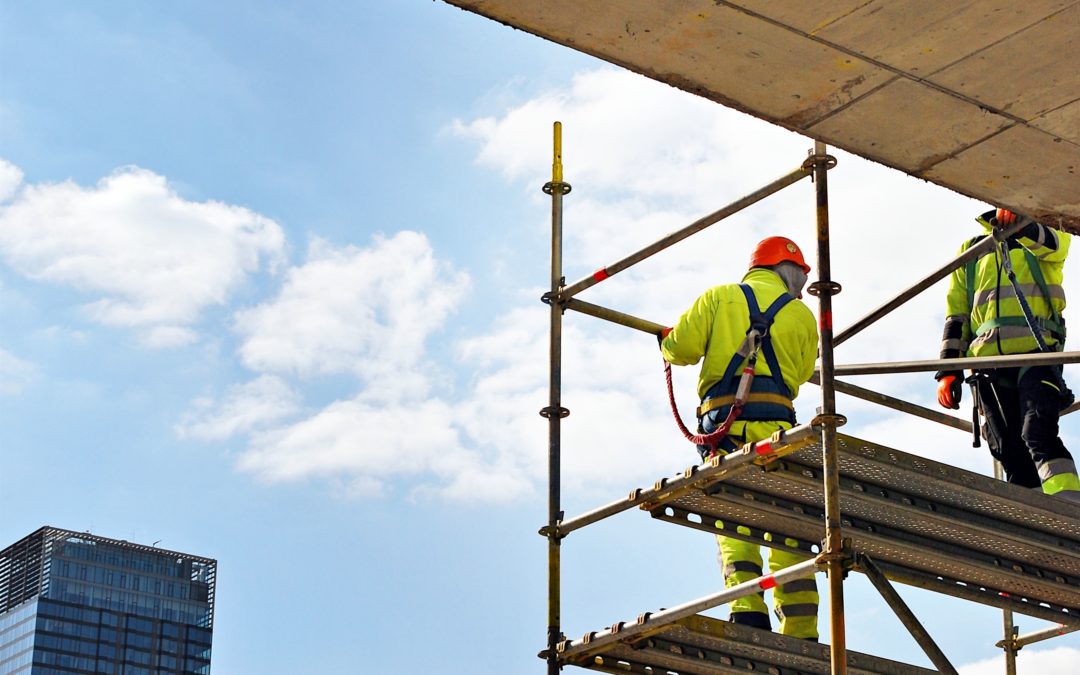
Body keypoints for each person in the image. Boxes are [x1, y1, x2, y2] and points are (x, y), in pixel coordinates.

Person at [659, 236, 820, 639]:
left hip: (724, 431)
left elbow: (680, 349)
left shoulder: (719, 298)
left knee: (736, 521)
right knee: (789, 527)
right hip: (780, 430)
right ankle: (801, 631)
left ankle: (748, 612)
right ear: (789, 270)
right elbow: (800, 374)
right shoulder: (801, 316)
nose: (803, 283)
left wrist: (666, 338)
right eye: (801, 274)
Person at [935, 208, 1080, 503]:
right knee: (1006, 446)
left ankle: (1070, 506)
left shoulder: (1049, 232)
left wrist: (1021, 223)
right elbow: (958, 315)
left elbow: (1054, 243)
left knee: (1037, 430)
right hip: (986, 362)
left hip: (1037, 354)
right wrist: (949, 370)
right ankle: (1031, 514)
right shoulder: (973, 249)